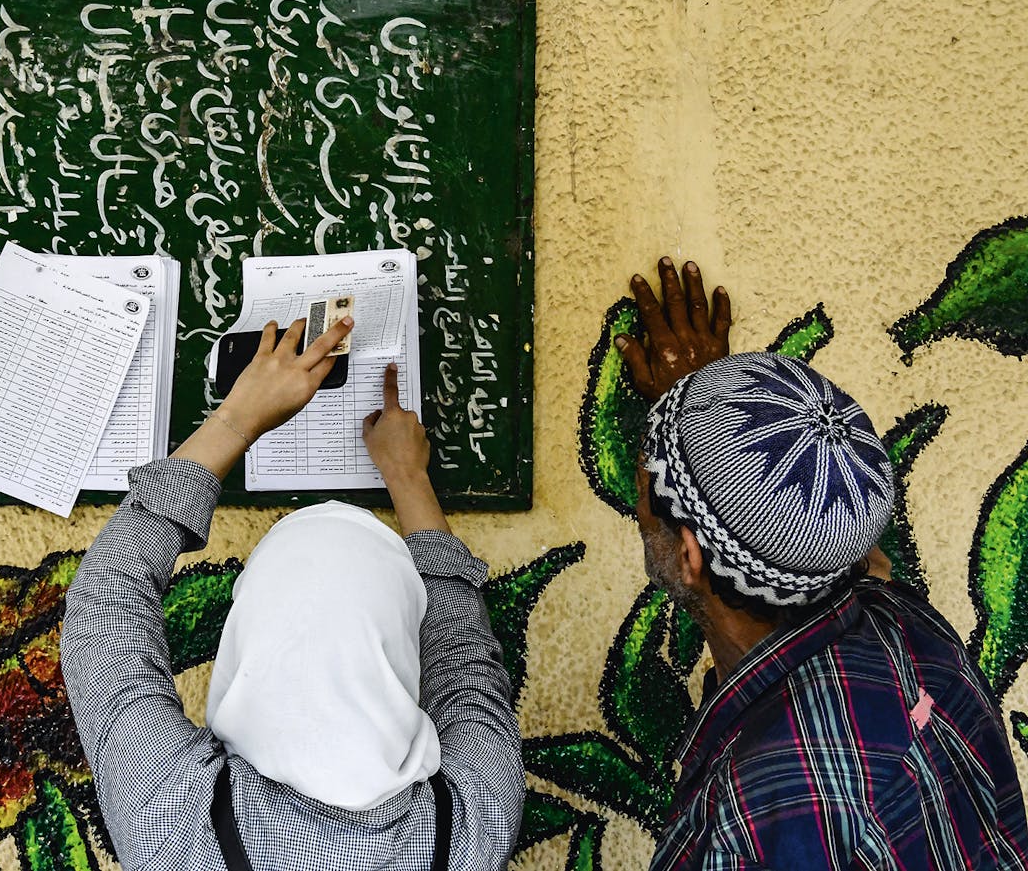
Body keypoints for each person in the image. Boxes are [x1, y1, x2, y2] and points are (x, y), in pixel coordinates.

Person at [60, 315, 524, 871]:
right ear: (405, 639)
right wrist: (408, 477)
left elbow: (105, 614)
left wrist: (239, 419)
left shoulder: (178, 819)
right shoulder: (470, 824)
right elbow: (464, 662)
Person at [616, 257, 1028, 870]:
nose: (639, 495)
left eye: (648, 484)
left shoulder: (748, 814)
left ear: (689, 555)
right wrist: (717, 417)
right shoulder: (908, 628)